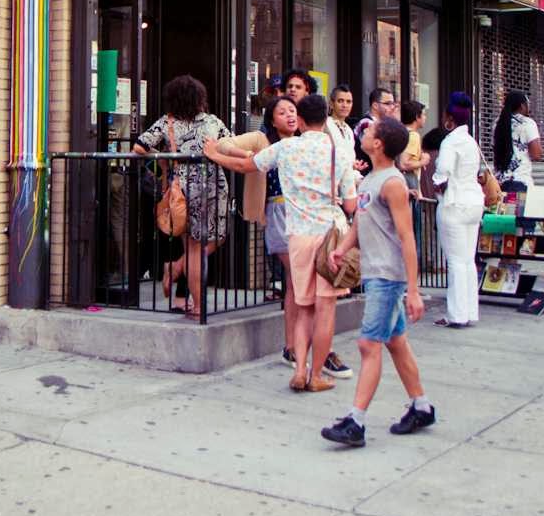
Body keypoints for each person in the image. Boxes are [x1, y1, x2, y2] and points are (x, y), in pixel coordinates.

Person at [207, 94, 356, 390]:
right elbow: (351, 205)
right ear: (325, 119)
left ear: (300, 120)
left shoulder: (286, 147)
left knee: (302, 307)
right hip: (329, 236)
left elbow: (247, 166)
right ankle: (316, 376)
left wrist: (215, 155)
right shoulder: (339, 153)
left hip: (297, 235)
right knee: (325, 310)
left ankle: (299, 371)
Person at [320, 117, 436, 448]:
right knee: (396, 341)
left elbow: (406, 237)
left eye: (370, 132)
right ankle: (421, 406)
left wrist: (413, 290)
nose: (364, 134)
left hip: (387, 276)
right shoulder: (372, 179)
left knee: (368, 344)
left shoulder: (393, 184)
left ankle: (355, 421)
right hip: (375, 273)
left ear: (379, 144)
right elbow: (361, 221)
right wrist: (341, 249)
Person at [135, 75, 230, 322]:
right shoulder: (213, 122)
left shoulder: (167, 123)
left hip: (184, 190)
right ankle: (197, 304)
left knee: (193, 248)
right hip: (214, 186)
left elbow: (139, 147)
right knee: (213, 239)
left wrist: (164, 158)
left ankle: (178, 269)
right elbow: (230, 145)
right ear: (200, 98)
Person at [212, 96, 300, 354]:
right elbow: (223, 144)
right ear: (271, 120)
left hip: (304, 214)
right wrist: (250, 155)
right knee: (296, 279)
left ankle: (297, 345)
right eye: (282, 112)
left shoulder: (305, 141)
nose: (289, 115)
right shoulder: (264, 140)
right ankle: (293, 346)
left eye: (292, 110)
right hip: (279, 210)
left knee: (298, 281)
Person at [431, 92, 486, 330]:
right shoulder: (471, 141)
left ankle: (456, 314)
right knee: (467, 260)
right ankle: (469, 311)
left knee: (454, 261)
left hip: (454, 204)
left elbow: (441, 174)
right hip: (474, 203)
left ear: (448, 118)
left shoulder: (450, 142)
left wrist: (435, 184)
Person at [492, 90, 542, 191]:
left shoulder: (497, 123)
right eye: (527, 104)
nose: (529, 108)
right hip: (520, 182)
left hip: (498, 184)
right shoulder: (527, 123)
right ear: (522, 106)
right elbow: (536, 155)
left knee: (503, 207)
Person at [354, 88, 397, 173]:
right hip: (364, 174)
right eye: (388, 104)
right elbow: (378, 151)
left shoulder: (382, 124)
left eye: (393, 104)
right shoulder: (367, 123)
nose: (392, 107)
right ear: (375, 105)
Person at [397, 99, 427, 198]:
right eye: (423, 115)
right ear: (417, 117)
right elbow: (404, 163)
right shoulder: (413, 136)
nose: (425, 118)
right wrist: (423, 161)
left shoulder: (399, 132)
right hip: (409, 182)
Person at [325, 85, 357, 160]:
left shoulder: (349, 130)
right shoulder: (325, 124)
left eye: (348, 102)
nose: (345, 105)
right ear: (331, 104)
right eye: (340, 101)